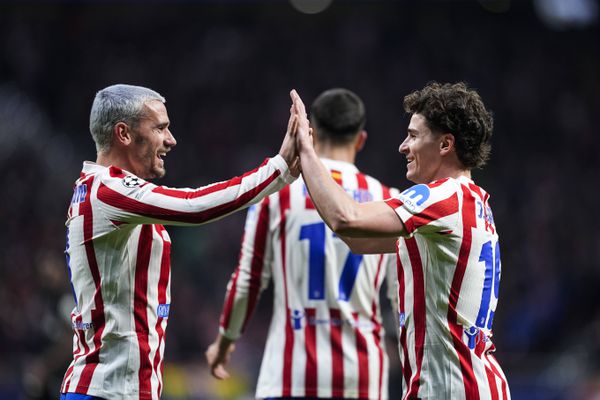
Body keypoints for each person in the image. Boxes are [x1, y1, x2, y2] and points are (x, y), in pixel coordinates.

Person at [59, 84, 300, 400]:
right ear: (124, 134)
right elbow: (194, 206)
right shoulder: (107, 190)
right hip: (106, 391)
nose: (171, 140)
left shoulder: (101, 192)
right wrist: (278, 168)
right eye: (160, 128)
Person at [290, 83, 511, 399]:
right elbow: (356, 238)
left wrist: (307, 150)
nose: (403, 147)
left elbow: (346, 218)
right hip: (468, 384)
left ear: (445, 144)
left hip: (452, 389)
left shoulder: (443, 197)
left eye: (413, 136)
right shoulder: (474, 204)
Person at [205, 88, 398, 399]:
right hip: (363, 379)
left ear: (312, 135)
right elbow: (402, 296)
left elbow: (248, 280)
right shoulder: (389, 200)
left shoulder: (277, 194)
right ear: (360, 140)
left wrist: (224, 342)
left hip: (289, 377)